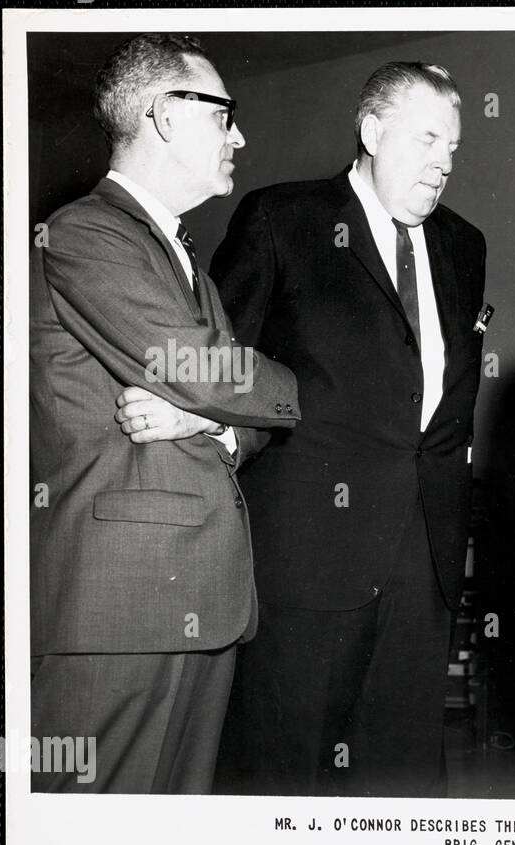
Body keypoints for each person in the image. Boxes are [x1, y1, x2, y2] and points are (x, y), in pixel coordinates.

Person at [29, 33, 300, 793]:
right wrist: (280, 386)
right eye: (225, 115)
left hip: (200, 603)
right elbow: (213, 371)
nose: (239, 136)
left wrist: (206, 422)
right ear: (166, 117)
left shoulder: (190, 266)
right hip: (116, 612)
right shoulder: (84, 232)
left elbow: (218, 401)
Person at [208, 62, 487, 797]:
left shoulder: (464, 244)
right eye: (427, 139)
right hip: (306, 555)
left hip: (422, 556)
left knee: (400, 775)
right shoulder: (282, 219)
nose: (444, 161)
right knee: (284, 769)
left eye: (453, 146)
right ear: (370, 131)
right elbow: (219, 364)